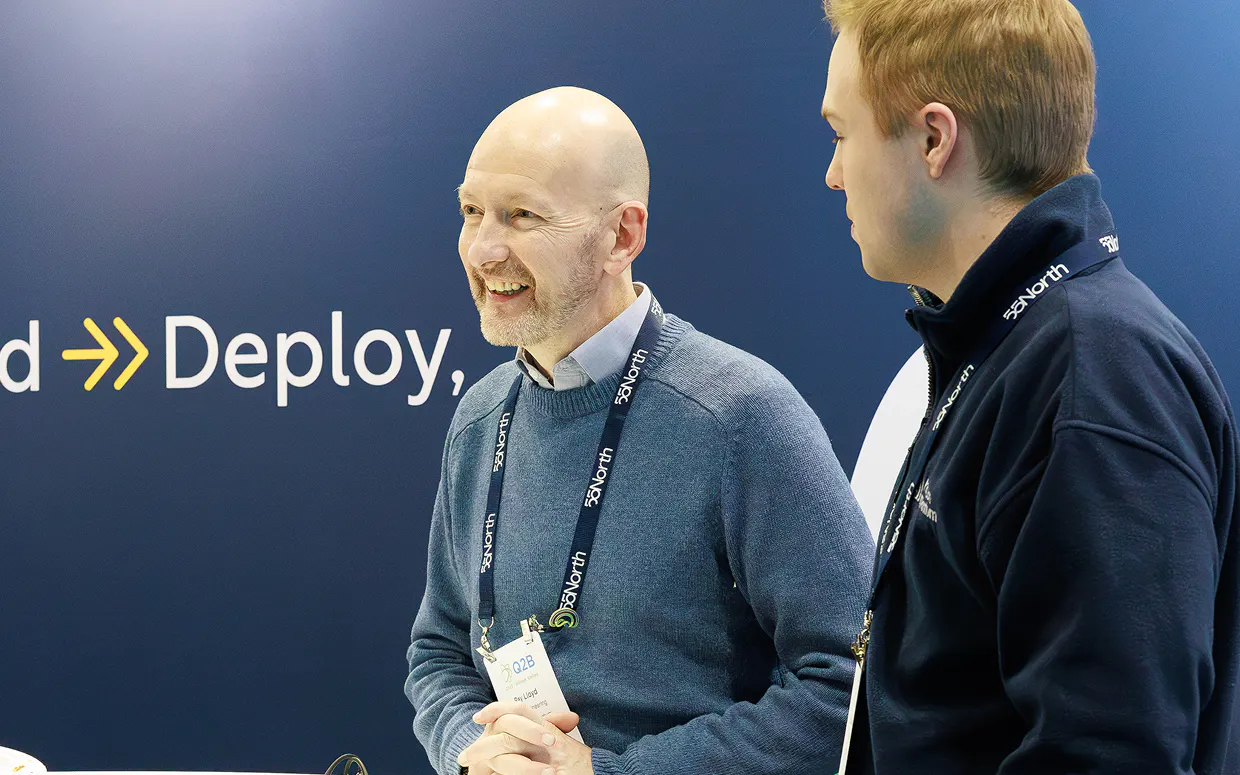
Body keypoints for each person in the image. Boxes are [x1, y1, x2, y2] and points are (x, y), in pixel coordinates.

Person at [819, 1, 1240, 773]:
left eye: (842, 134)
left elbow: (1111, 754)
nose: (834, 173)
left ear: (935, 139)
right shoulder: (1007, 347)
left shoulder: (1096, 379)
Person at [405, 86, 873, 775]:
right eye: (471, 211)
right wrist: (473, 755)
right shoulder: (481, 417)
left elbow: (850, 687)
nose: (482, 249)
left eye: (522, 215)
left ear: (622, 236)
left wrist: (607, 772)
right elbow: (441, 652)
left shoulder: (739, 415)